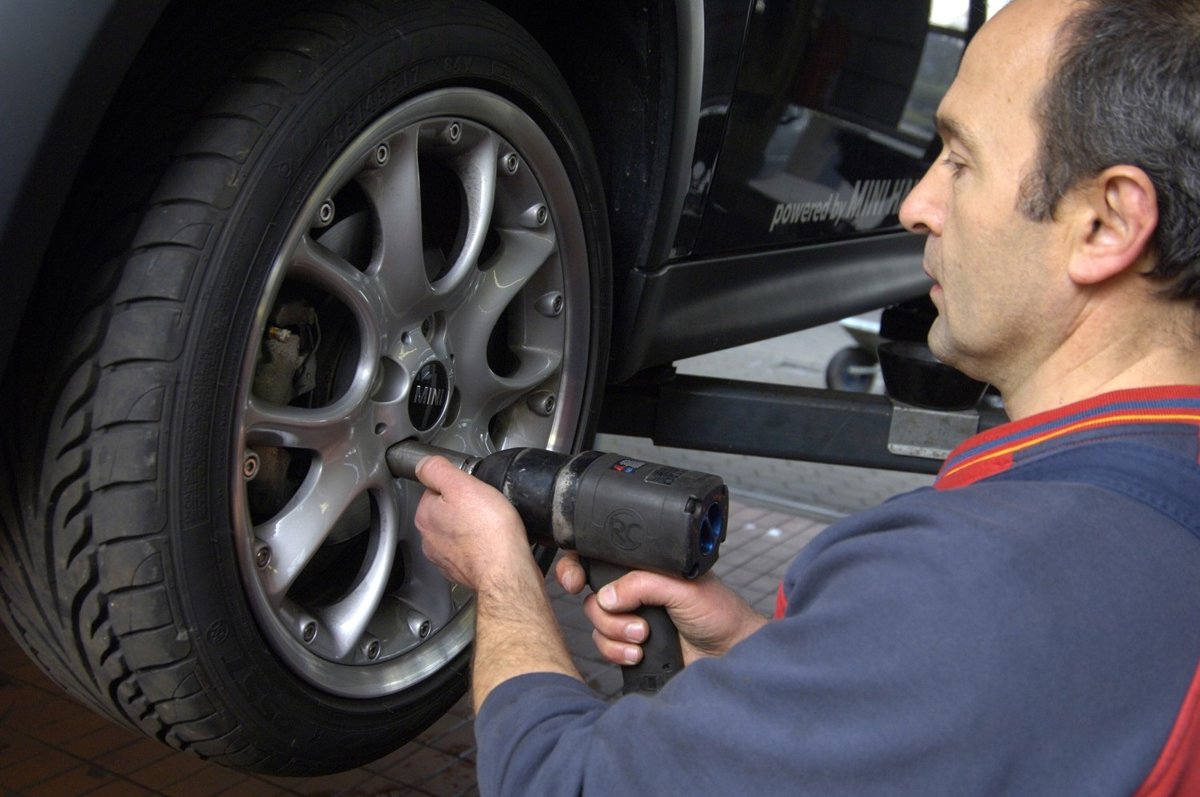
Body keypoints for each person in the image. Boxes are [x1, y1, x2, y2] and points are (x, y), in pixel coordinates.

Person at [413, 0, 1200, 793]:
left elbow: (559, 782)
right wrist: (779, 661)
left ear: (1105, 224)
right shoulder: (1136, 524)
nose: (916, 206)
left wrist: (503, 581)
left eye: (961, 162)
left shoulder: (970, 585)